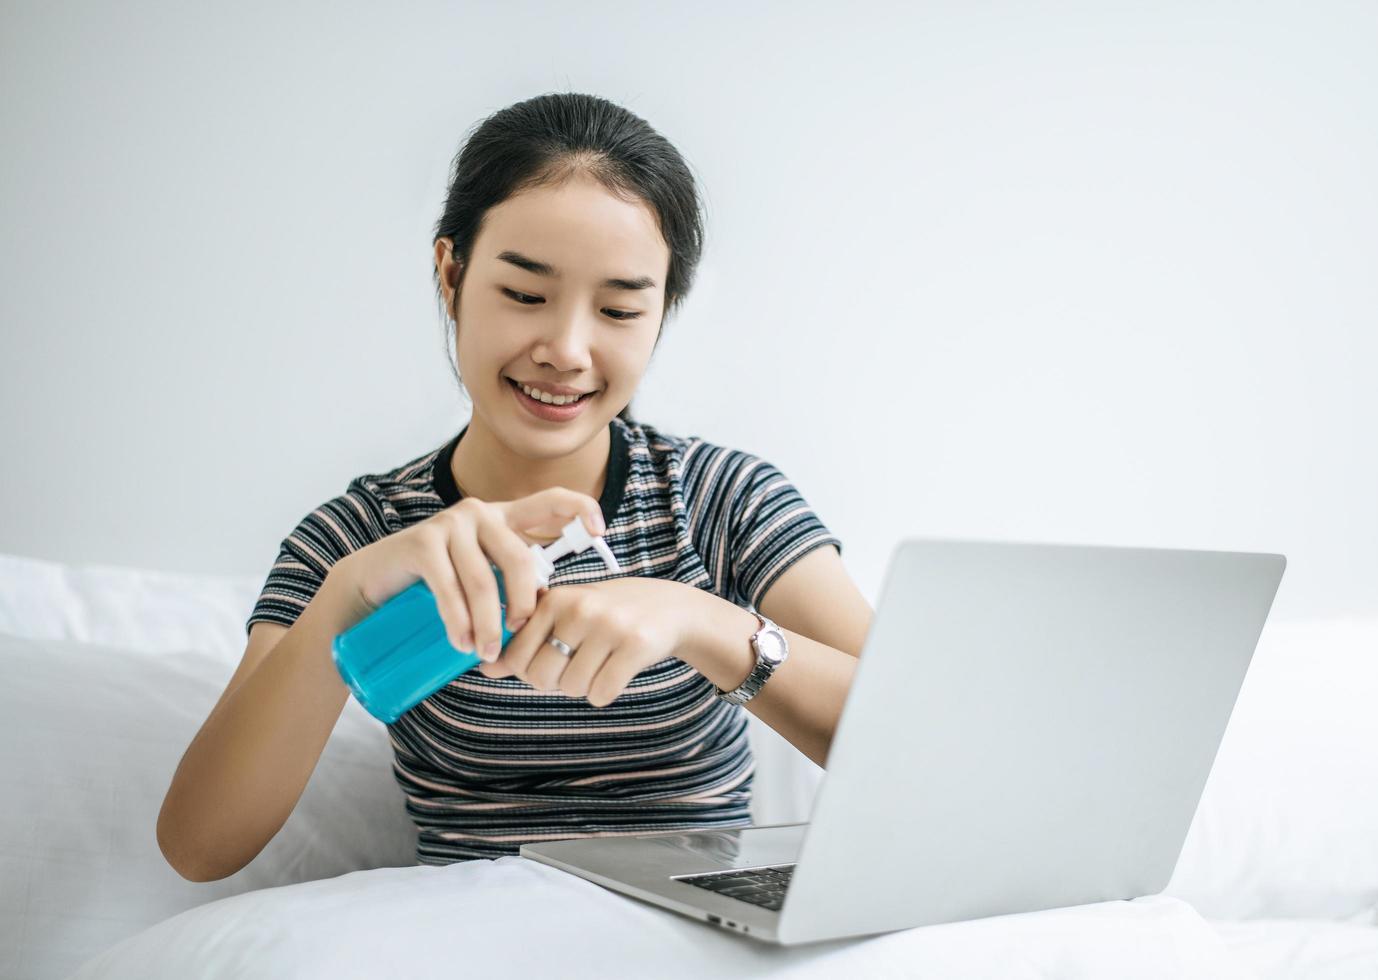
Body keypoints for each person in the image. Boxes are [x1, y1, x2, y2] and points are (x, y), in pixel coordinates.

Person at [157, 92, 873, 881]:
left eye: (619, 309)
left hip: (697, 933)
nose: (566, 349)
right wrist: (348, 597)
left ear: (661, 313)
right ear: (451, 274)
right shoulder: (360, 535)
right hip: (472, 932)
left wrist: (702, 622)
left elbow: (919, 745)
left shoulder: (718, 499)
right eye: (526, 295)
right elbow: (200, 845)